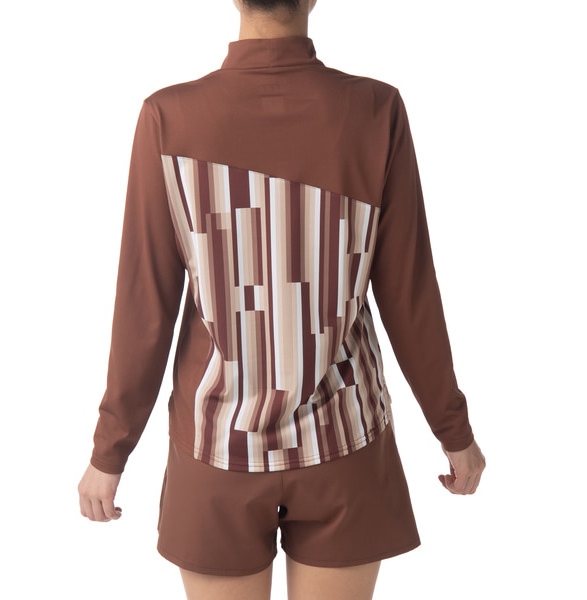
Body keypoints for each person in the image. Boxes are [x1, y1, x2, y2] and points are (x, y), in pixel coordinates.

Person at [78, 0, 486, 598]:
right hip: (344, 444)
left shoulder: (168, 117)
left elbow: (145, 303)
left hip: (217, 449)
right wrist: (453, 430)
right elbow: (410, 293)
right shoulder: (376, 110)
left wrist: (110, 451)